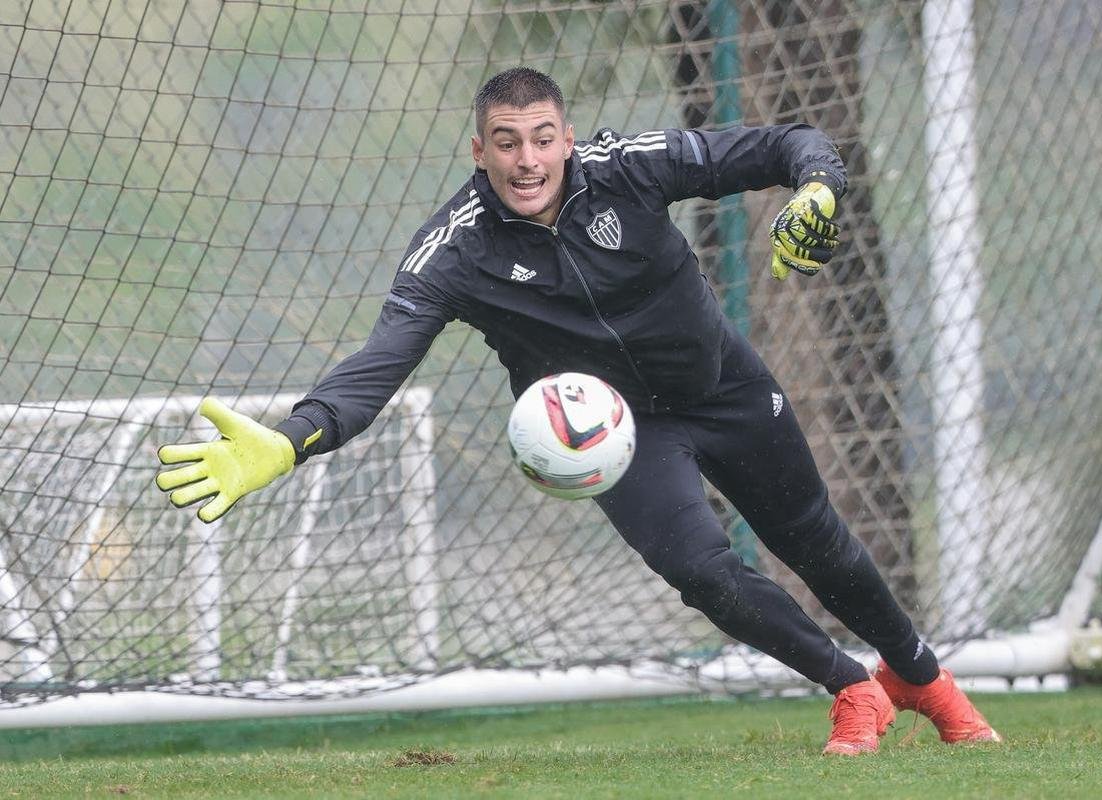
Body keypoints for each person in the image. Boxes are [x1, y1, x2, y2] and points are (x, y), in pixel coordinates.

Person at [156, 67, 1000, 755]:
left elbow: (787, 143)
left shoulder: (630, 166)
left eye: (542, 138)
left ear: (567, 137)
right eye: (506, 142)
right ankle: (851, 688)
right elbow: (375, 369)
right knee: (703, 572)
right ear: (479, 151)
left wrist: (817, 188)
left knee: (816, 541)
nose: (527, 160)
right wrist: (291, 440)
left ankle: (921, 677)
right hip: (620, 436)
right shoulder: (453, 252)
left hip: (724, 388)